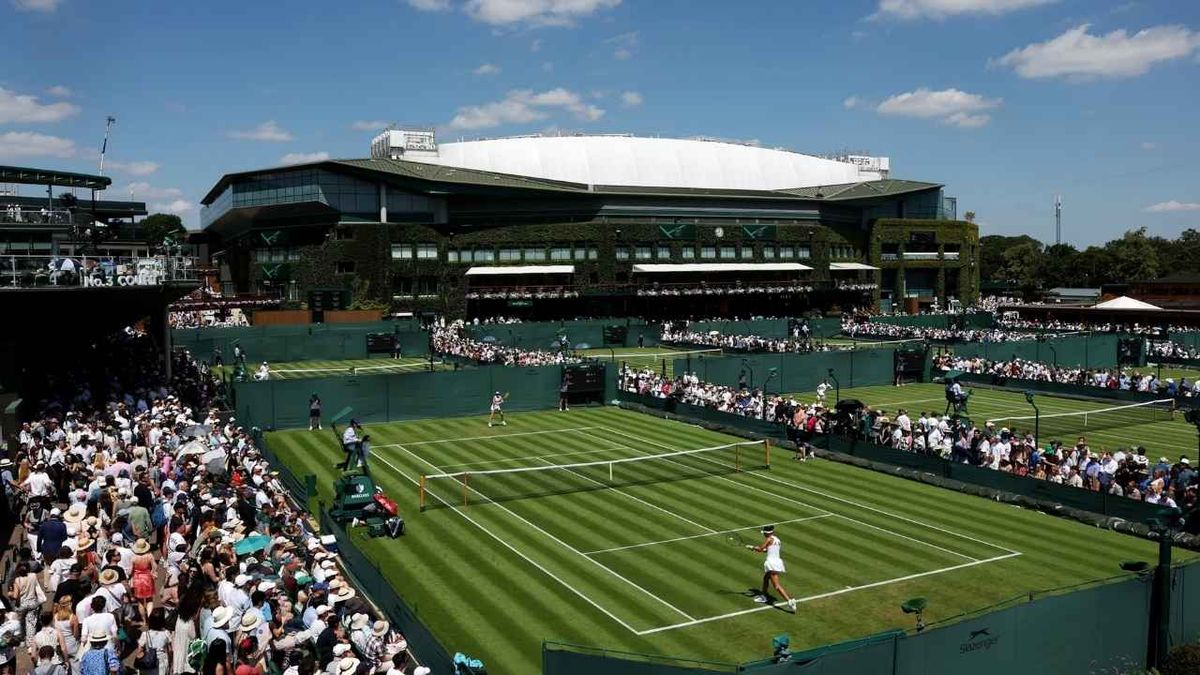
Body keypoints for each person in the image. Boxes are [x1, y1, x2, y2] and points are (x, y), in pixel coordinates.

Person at [746, 525, 796, 612]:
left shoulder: (768, 539)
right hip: (777, 562)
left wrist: (752, 547)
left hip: (772, 564)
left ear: (766, 533)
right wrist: (755, 548)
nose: (764, 535)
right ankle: (764, 596)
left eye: (764, 533)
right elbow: (768, 550)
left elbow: (761, 549)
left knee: (776, 586)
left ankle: (790, 601)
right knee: (766, 578)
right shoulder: (777, 539)